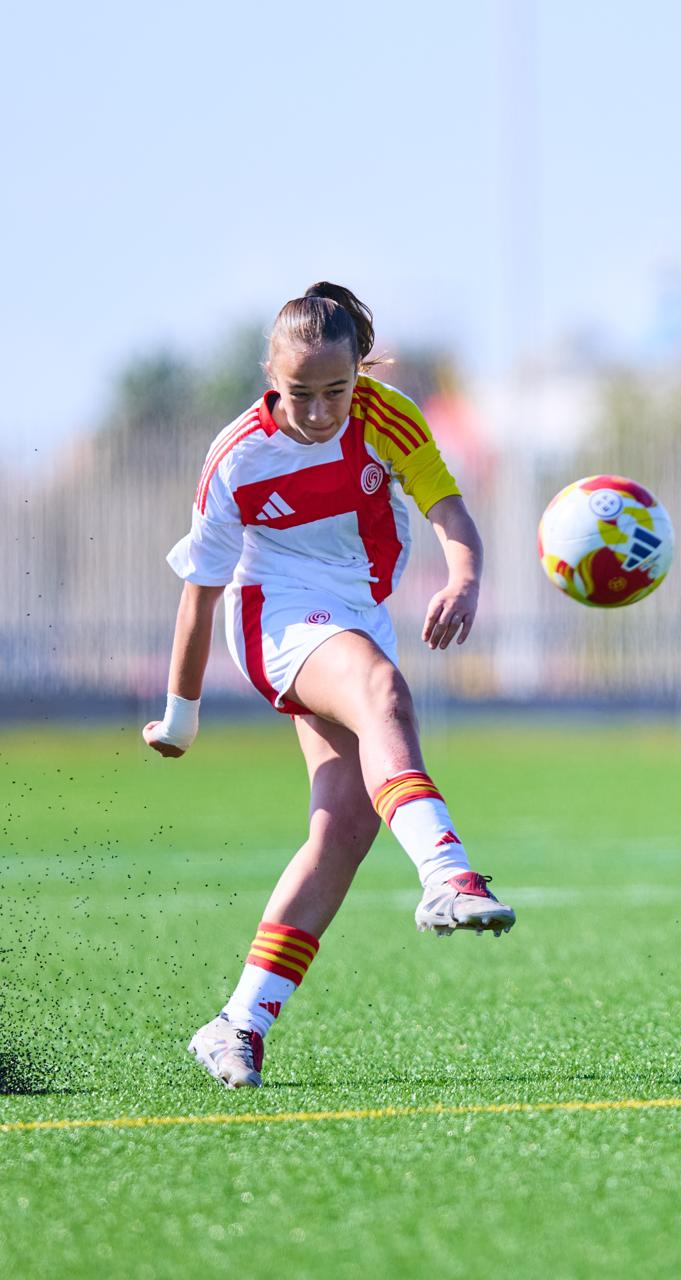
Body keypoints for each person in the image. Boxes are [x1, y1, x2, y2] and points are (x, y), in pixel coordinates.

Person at [143, 282, 516, 1089]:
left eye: (335, 391)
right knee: (383, 692)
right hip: (274, 615)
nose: (318, 411)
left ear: (359, 374)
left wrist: (465, 578)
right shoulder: (237, 457)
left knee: (345, 825)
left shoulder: (388, 418)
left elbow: (448, 510)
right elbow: (200, 593)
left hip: (357, 612)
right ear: (270, 377)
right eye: (299, 393)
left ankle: (236, 1023)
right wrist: (180, 716)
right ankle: (447, 876)